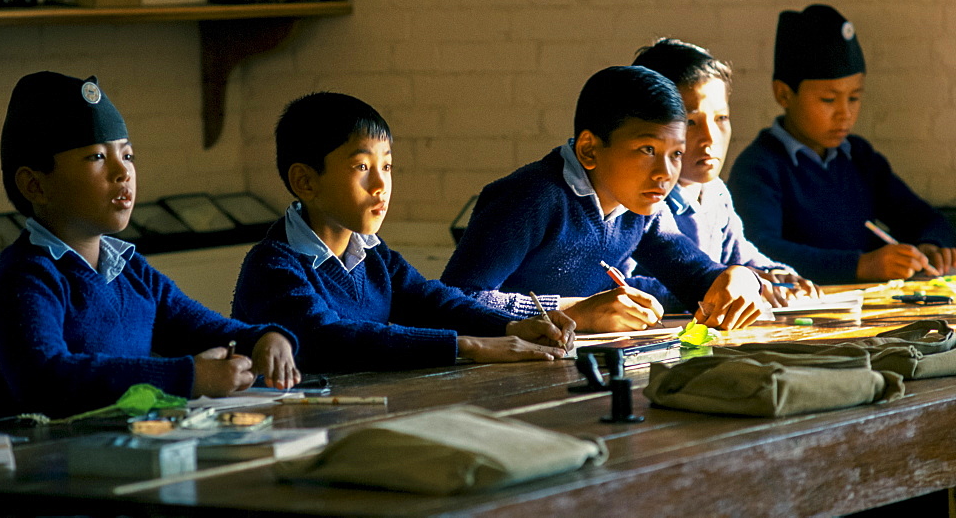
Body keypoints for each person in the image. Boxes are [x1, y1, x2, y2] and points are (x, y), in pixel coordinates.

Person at [0, 72, 300, 420]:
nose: (122, 172)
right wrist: (187, 378)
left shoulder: (129, 271)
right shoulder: (25, 277)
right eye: (96, 158)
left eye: (127, 155)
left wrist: (265, 338)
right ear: (35, 186)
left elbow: (202, 329)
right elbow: (47, 379)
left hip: (116, 457)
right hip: (37, 464)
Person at [231, 92, 574, 373]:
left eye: (387, 166)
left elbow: (431, 301)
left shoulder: (372, 254)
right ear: (305, 181)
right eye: (362, 167)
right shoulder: (273, 266)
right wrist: (468, 345)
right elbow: (328, 338)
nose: (381, 185)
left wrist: (508, 327)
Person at [441, 65, 769, 333]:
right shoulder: (532, 199)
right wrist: (576, 312)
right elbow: (455, 300)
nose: (665, 173)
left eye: (676, 154)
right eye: (647, 150)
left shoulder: (643, 207)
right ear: (588, 149)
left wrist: (735, 277)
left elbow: (693, 277)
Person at [727, 4, 956, 284]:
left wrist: (930, 245)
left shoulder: (858, 157)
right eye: (828, 99)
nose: (845, 113)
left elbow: (923, 217)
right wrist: (860, 266)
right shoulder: (760, 167)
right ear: (784, 94)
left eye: (854, 97)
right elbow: (760, 250)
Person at [631, 38, 820, 305]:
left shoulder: (714, 192)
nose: (710, 138)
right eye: (690, 122)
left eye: (721, 118)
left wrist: (775, 276)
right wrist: (718, 286)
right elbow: (618, 286)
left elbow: (741, 257)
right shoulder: (638, 198)